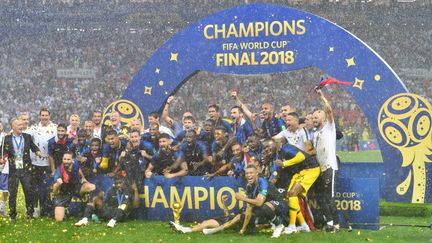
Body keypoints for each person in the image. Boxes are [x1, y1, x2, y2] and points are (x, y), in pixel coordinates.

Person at [203, 165, 287, 238]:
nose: (249, 175)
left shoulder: (263, 182)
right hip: (266, 207)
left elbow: (259, 202)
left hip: (280, 203)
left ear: (256, 173)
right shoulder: (249, 187)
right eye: (247, 173)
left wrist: (242, 198)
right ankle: (215, 230)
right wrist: (243, 228)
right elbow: (250, 206)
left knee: (263, 207)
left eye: (251, 173)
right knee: (243, 216)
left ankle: (279, 226)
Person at [262, 139, 320, 235]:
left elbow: (301, 157)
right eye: (265, 147)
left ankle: (292, 226)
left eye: (269, 146)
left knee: (293, 193)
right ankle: (303, 225)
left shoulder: (286, 148)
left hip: (311, 169)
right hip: (301, 172)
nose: (267, 149)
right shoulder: (279, 153)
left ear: (277, 143)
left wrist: (284, 163)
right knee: (290, 196)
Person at [1, 118, 43, 219]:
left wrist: (38, 151)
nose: (21, 126)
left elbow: (33, 147)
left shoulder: (27, 137)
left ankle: (30, 213)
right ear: (13, 127)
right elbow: (2, 152)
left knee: (28, 191)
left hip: (26, 169)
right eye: (19, 125)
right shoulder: (6, 139)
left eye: (22, 125)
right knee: (13, 193)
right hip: (13, 169)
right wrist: (1, 159)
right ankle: (12, 215)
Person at [312, 89, 340, 232]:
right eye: (313, 118)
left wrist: (322, 96)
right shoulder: (315, 134)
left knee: (329, 198)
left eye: (316, 118)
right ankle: (329, 223)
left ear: (323, 119)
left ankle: (336, 225)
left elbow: (329, 110)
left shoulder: (330, 127)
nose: (314, 120)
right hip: (321, 169)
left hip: (330, 167)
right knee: (322, 198)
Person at [29, 107, 57, 218]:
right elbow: (28, 141)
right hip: (36, 163)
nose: (45, 117)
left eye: (46, 115)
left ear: (49, 116)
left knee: (48, 188)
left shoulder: (55, 128)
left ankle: (47, 210)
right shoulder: (34, 128)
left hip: (49, 163)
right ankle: (36, 209)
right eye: (43, 115)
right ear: (39, 116)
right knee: (36, 187)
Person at [52, 152, 95, 222]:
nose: (66, 161)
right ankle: (65, 210)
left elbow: (78, 169)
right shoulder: (59, 171)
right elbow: (54, 192)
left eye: (68, 159)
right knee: (59, 219)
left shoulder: (75, 163)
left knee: (92, 187)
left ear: (72, 160)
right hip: (64, 191)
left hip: (76, 187)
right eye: (64, 159)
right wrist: (58, 185)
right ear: (62, 159)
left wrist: (83, 178)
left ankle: (92, 212)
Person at [170, 195, 239, 233]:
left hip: (225, 222)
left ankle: (185, 230)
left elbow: (232, 220)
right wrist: (224, 202)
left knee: (206, 224)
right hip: (224, 219)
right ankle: (184, 228)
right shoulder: (239, 211)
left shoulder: (242, 214)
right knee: (204, 223)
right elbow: (227, 215)